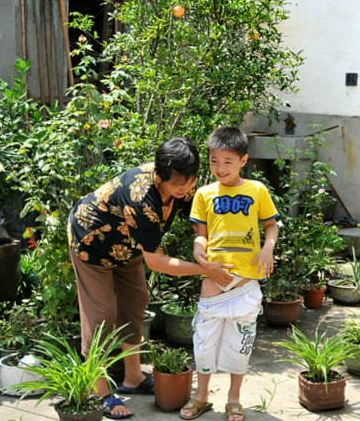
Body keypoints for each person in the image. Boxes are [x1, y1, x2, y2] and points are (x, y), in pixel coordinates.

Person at [67, 137, 233, 420]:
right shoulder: (142, 196)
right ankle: (100, 390)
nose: (184, 189)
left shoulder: (180, 184)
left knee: (136, 302)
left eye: (189, 182)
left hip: (126, 246)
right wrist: (206, 269)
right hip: (91, 244)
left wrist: (201, 241)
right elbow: (156, 262)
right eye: (177, 184)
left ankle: (133, 378)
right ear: (159, 175)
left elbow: (199, 219)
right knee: (102, 313)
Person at [180, 127, 279, 421]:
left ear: (243, 160)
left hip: (246, 282)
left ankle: (234, 399)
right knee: (204, 343)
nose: (219, 168)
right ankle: (201, 397)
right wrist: (199, 253)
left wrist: (267, 249)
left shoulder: (257, 190)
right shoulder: (203, 194)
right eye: (213, 161)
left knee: (240, 344)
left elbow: (271, 226)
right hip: (212, 282)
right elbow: (202, 235)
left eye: (227, 161)